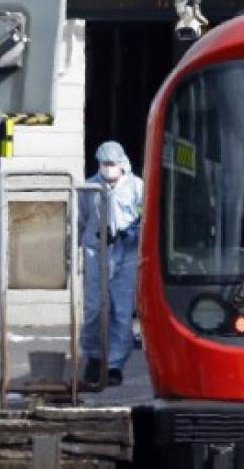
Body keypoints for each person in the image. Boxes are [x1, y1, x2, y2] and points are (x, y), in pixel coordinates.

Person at [79, 141, 143, 387]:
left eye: (111, 164)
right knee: (94, 307)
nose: (107, 168)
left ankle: (115, 364)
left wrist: (130, 233)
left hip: (126, 253)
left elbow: (145, 215)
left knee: (121, 310)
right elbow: (80, 220)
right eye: (104, 164)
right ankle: (93, 357)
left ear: (122, 163)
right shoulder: (89, 187)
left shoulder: (136, 187)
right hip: (97, 252)